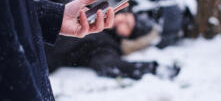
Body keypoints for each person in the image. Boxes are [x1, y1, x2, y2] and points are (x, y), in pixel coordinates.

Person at [45, 12, 181, 80]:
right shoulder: (95, 19)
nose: (121, 20)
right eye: (125, 16)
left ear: (127, 36)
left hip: (39, 53)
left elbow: (109, 65)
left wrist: (153, 68)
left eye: (127, 25)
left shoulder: (107, 45)